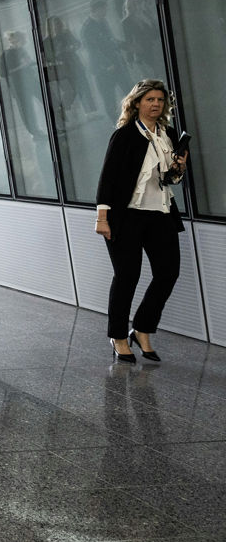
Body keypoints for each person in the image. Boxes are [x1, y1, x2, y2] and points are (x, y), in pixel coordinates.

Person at [95, 79, 187, 363]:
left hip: (160, 213)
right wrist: (102, 217)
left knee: (168, 273)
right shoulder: (124, 135)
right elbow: (108, 177)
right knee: (127, 277)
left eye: (160, 100)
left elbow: (170, 180)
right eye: (150, 100)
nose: (156, 104)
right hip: (127, 216)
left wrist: (179, 169)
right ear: (137, 103)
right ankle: (119, 336)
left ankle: (143, 328)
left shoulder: (168, 134)